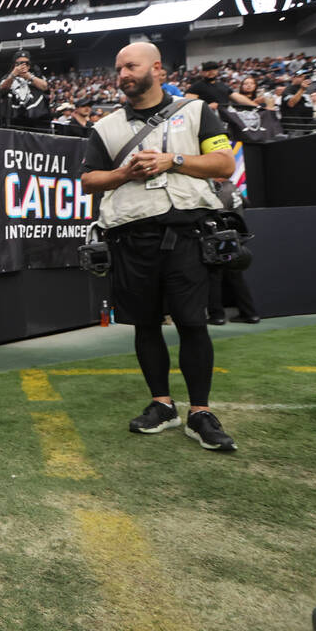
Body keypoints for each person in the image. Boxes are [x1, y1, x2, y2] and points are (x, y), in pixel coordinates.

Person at [80, 41, 238, 452]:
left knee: (192, 322)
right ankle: (162, 404)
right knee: (145, 324)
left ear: (157, 69)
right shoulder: (106, 126)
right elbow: (88, 180)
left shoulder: (197, 110)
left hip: (186, 234)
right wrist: (121, 173)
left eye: (130, 66)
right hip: (131, 238)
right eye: (118, 69)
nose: (123, 75)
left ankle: (200, 411)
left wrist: (175, 161)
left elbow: (224, 166)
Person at [0, 51, 50, 128]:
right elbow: (2, 90)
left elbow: (45, 86)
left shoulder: (36, 75)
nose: (23, 65)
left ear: (29, 66)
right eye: (20, 63)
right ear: (15, 65)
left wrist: (29, 76)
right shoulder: (7, 77)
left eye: (26, 63)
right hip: (13, 119)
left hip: (35, 120)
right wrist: (13, 75)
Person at [186, 61, 256, 110]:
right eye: (208, 70)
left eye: (214, 69)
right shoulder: (196, 86)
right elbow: (189, 103)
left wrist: (256, 106)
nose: (211, 72)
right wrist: (207, 107)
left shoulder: (222, 85)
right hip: (208, 119)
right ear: (202, 72)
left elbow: (239, 98)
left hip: (225, 117)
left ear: (217, 71)